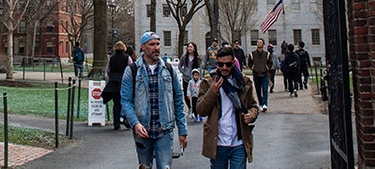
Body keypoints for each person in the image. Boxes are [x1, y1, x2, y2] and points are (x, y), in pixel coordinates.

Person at [121, 31, 188, 169]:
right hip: (143, 129)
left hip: (164, 128)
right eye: (152, 44)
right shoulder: (132, 70)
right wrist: (135, 124)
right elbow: (126, 100)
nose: (156, 47)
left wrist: (182, 130)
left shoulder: (168, 69)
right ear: (143, 47)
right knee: (144, 166)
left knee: (164, 166)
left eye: (158, 44)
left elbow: (178, 100)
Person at [195, 47, 260, 169]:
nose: (224, 68)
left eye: (228, 64)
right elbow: (201, 110)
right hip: (218, 142)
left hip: (239, 142)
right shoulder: (209, 81)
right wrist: (212, 92)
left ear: (233, 63)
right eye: (221, 64)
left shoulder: (243, 82)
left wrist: (251, 114)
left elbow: (253, 106)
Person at [106, 41, 132, 130]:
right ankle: (126, 120)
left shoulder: (112, 58)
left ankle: (116, 123)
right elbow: (131, 68)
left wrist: (111, 77)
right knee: (126, 102)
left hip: (113, 82)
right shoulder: (127, 58)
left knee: (116, 103)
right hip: (124, 82)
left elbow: (108, 70)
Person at [246, 39, 270, 113]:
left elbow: (270, 63)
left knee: (265, 89)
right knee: (258, 90)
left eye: (261, 42)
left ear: (263, 44)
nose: (259, 43)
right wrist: (253, 68)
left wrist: (267, 68)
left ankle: (265, 104)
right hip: (256, 74)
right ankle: (260, 103)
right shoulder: (252, 54)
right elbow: (249, 63)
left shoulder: (267, 54)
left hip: (264, 74)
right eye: (258, 42)